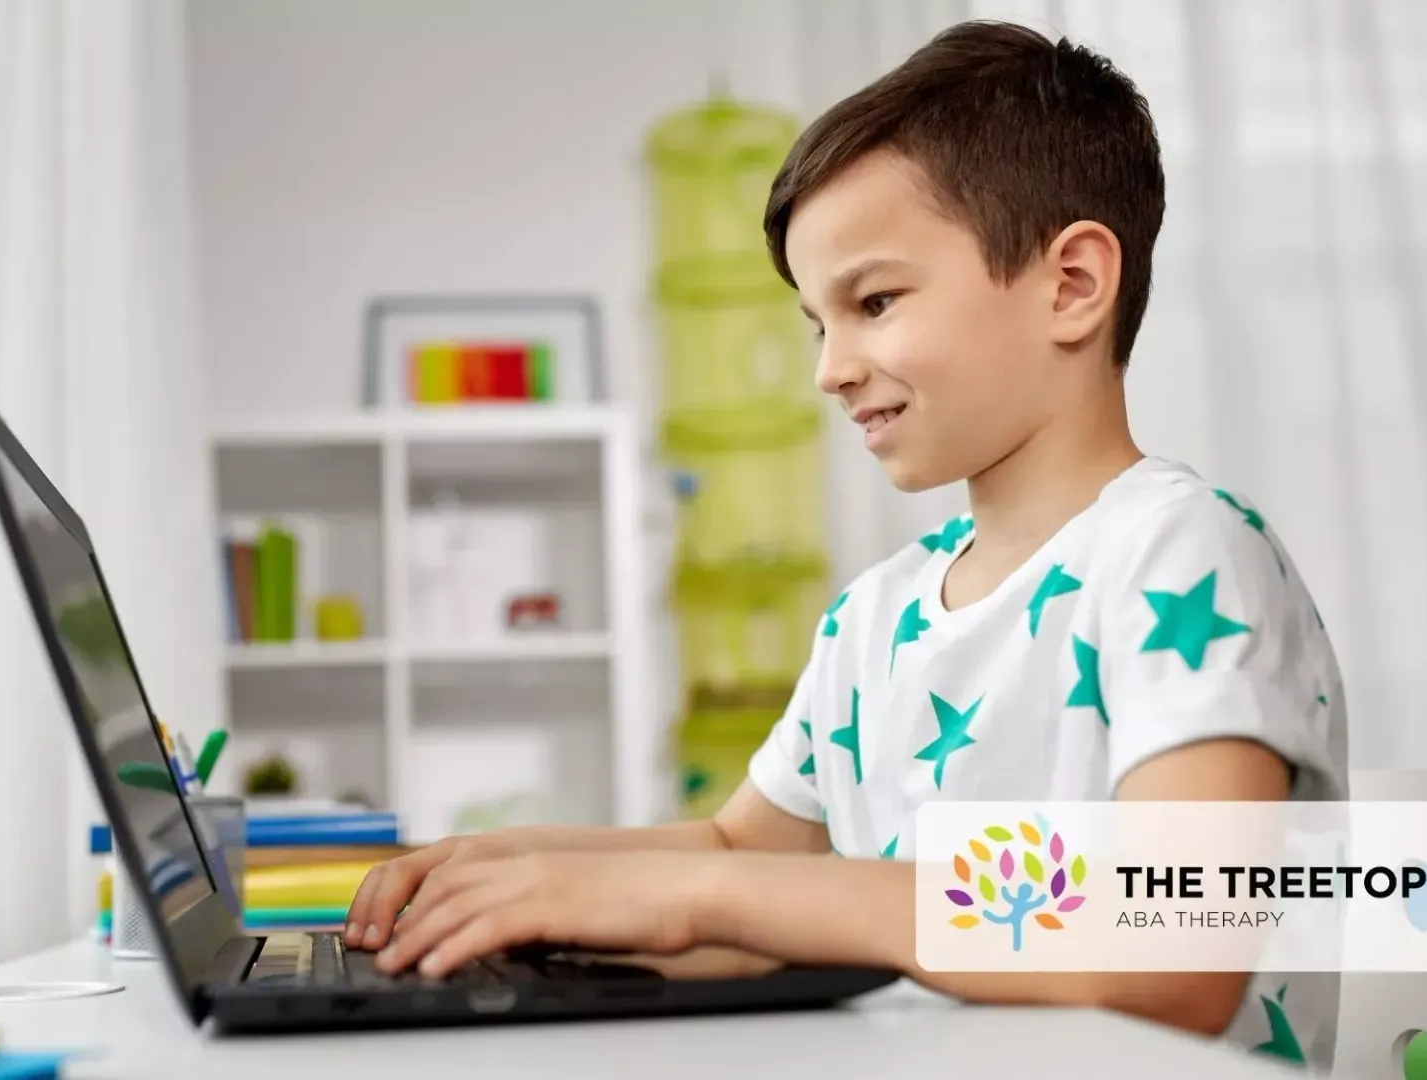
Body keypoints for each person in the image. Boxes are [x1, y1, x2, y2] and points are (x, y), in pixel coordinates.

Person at [345, 18, 1347, 1068]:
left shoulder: (1183, 554)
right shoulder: (877, 615)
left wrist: (708, 892)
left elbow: (1176, 956)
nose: (829, 370)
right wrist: (503, 870)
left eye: (873, 302)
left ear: (1072, 285)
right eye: (818, 326)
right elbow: (737, 852)